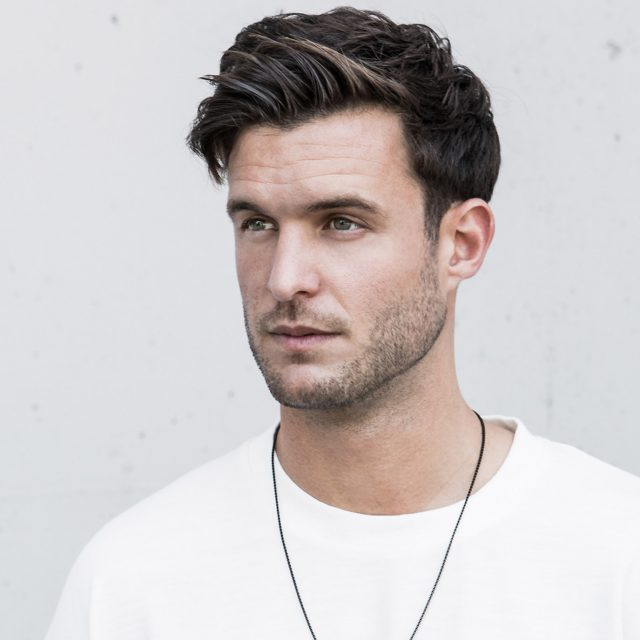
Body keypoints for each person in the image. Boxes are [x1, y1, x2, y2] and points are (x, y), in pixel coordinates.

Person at [45, 7, 640, 639]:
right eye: (257, 224)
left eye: (342, 223)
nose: (284, 279)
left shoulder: (616, 556)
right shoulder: (134, 584)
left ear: (461, 244)